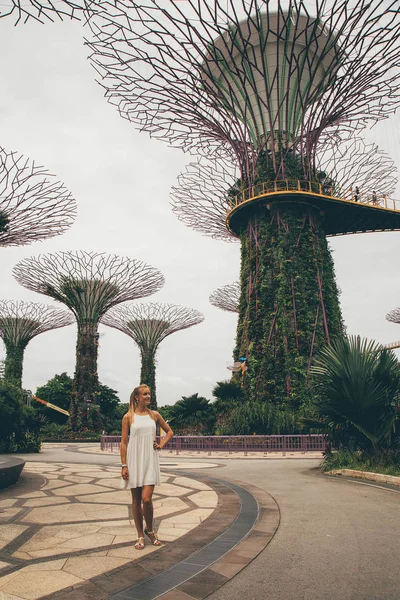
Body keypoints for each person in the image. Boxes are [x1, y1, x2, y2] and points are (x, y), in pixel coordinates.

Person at [120, 384, 174, 550]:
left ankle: (150, 530)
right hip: (134, 459)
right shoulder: (128, 417)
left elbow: (169, 432)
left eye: (149, 393)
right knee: (136, 500)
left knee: (146, 499)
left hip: (150, 459)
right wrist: (124, 465)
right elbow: (123, 442)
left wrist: (161, 444)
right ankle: (140, 535)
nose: (148, 396)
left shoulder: (154, 415)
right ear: (137, 397)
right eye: (145, 394)